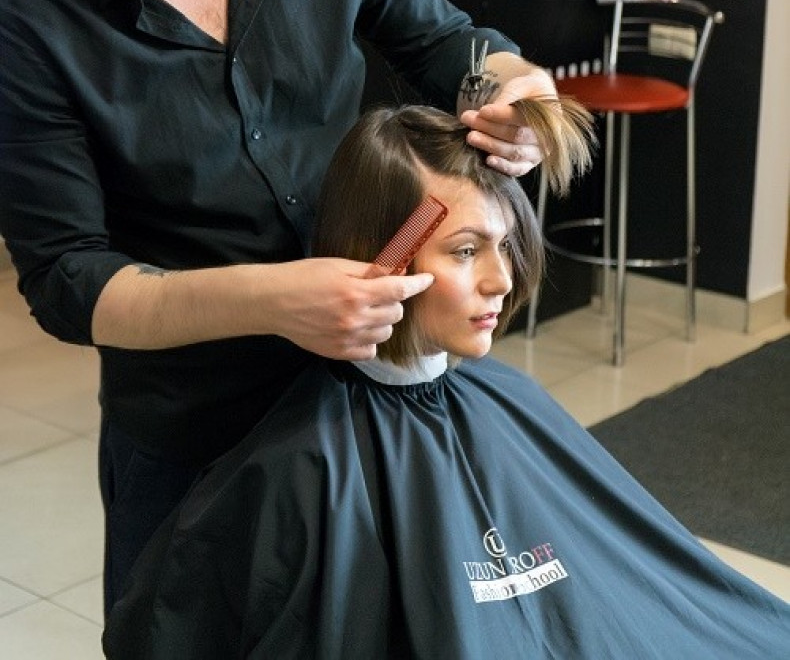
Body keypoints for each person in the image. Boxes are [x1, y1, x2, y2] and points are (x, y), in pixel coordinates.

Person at [0, 0, 566, 614]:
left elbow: (443, 41)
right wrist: (270, 298)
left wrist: (513, 84)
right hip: (193, 428)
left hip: (370, 397)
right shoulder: (33, 14)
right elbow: (68, 280)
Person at [102, 102, 790, 659]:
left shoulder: (512, 401)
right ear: (384, 261)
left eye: (506, 244)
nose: (502, 279)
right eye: (465, 251)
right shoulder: (305, 462)